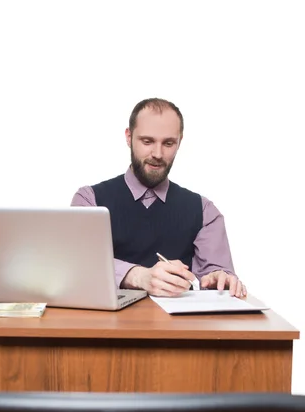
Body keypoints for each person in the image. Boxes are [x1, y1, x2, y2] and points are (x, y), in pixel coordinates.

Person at [71, 98, 246, 298]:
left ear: (180, 142)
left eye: (169, 143)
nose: (157, 154)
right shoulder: (89, 200)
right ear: (129, 137)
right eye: (147, 141)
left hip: (178, 326)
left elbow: (216, 272)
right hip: (106, 325)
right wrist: (138, 276)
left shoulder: (204, 211)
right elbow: (79, 262)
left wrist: (219, 278)